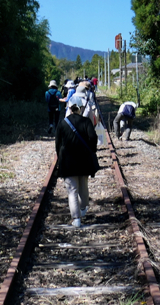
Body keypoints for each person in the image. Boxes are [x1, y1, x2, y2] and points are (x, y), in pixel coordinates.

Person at [55, 96, 100, 228]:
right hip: (84, 160)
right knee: (83, 186)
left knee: (72, 190)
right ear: (81, 108)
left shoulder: (63, 123)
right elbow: (93, 138)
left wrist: (60, 157)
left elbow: (58, 144)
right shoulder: (86, 122)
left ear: (69, 107)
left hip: (68, 162)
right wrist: (92, 150)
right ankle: (83, 208)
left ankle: (76, 219)